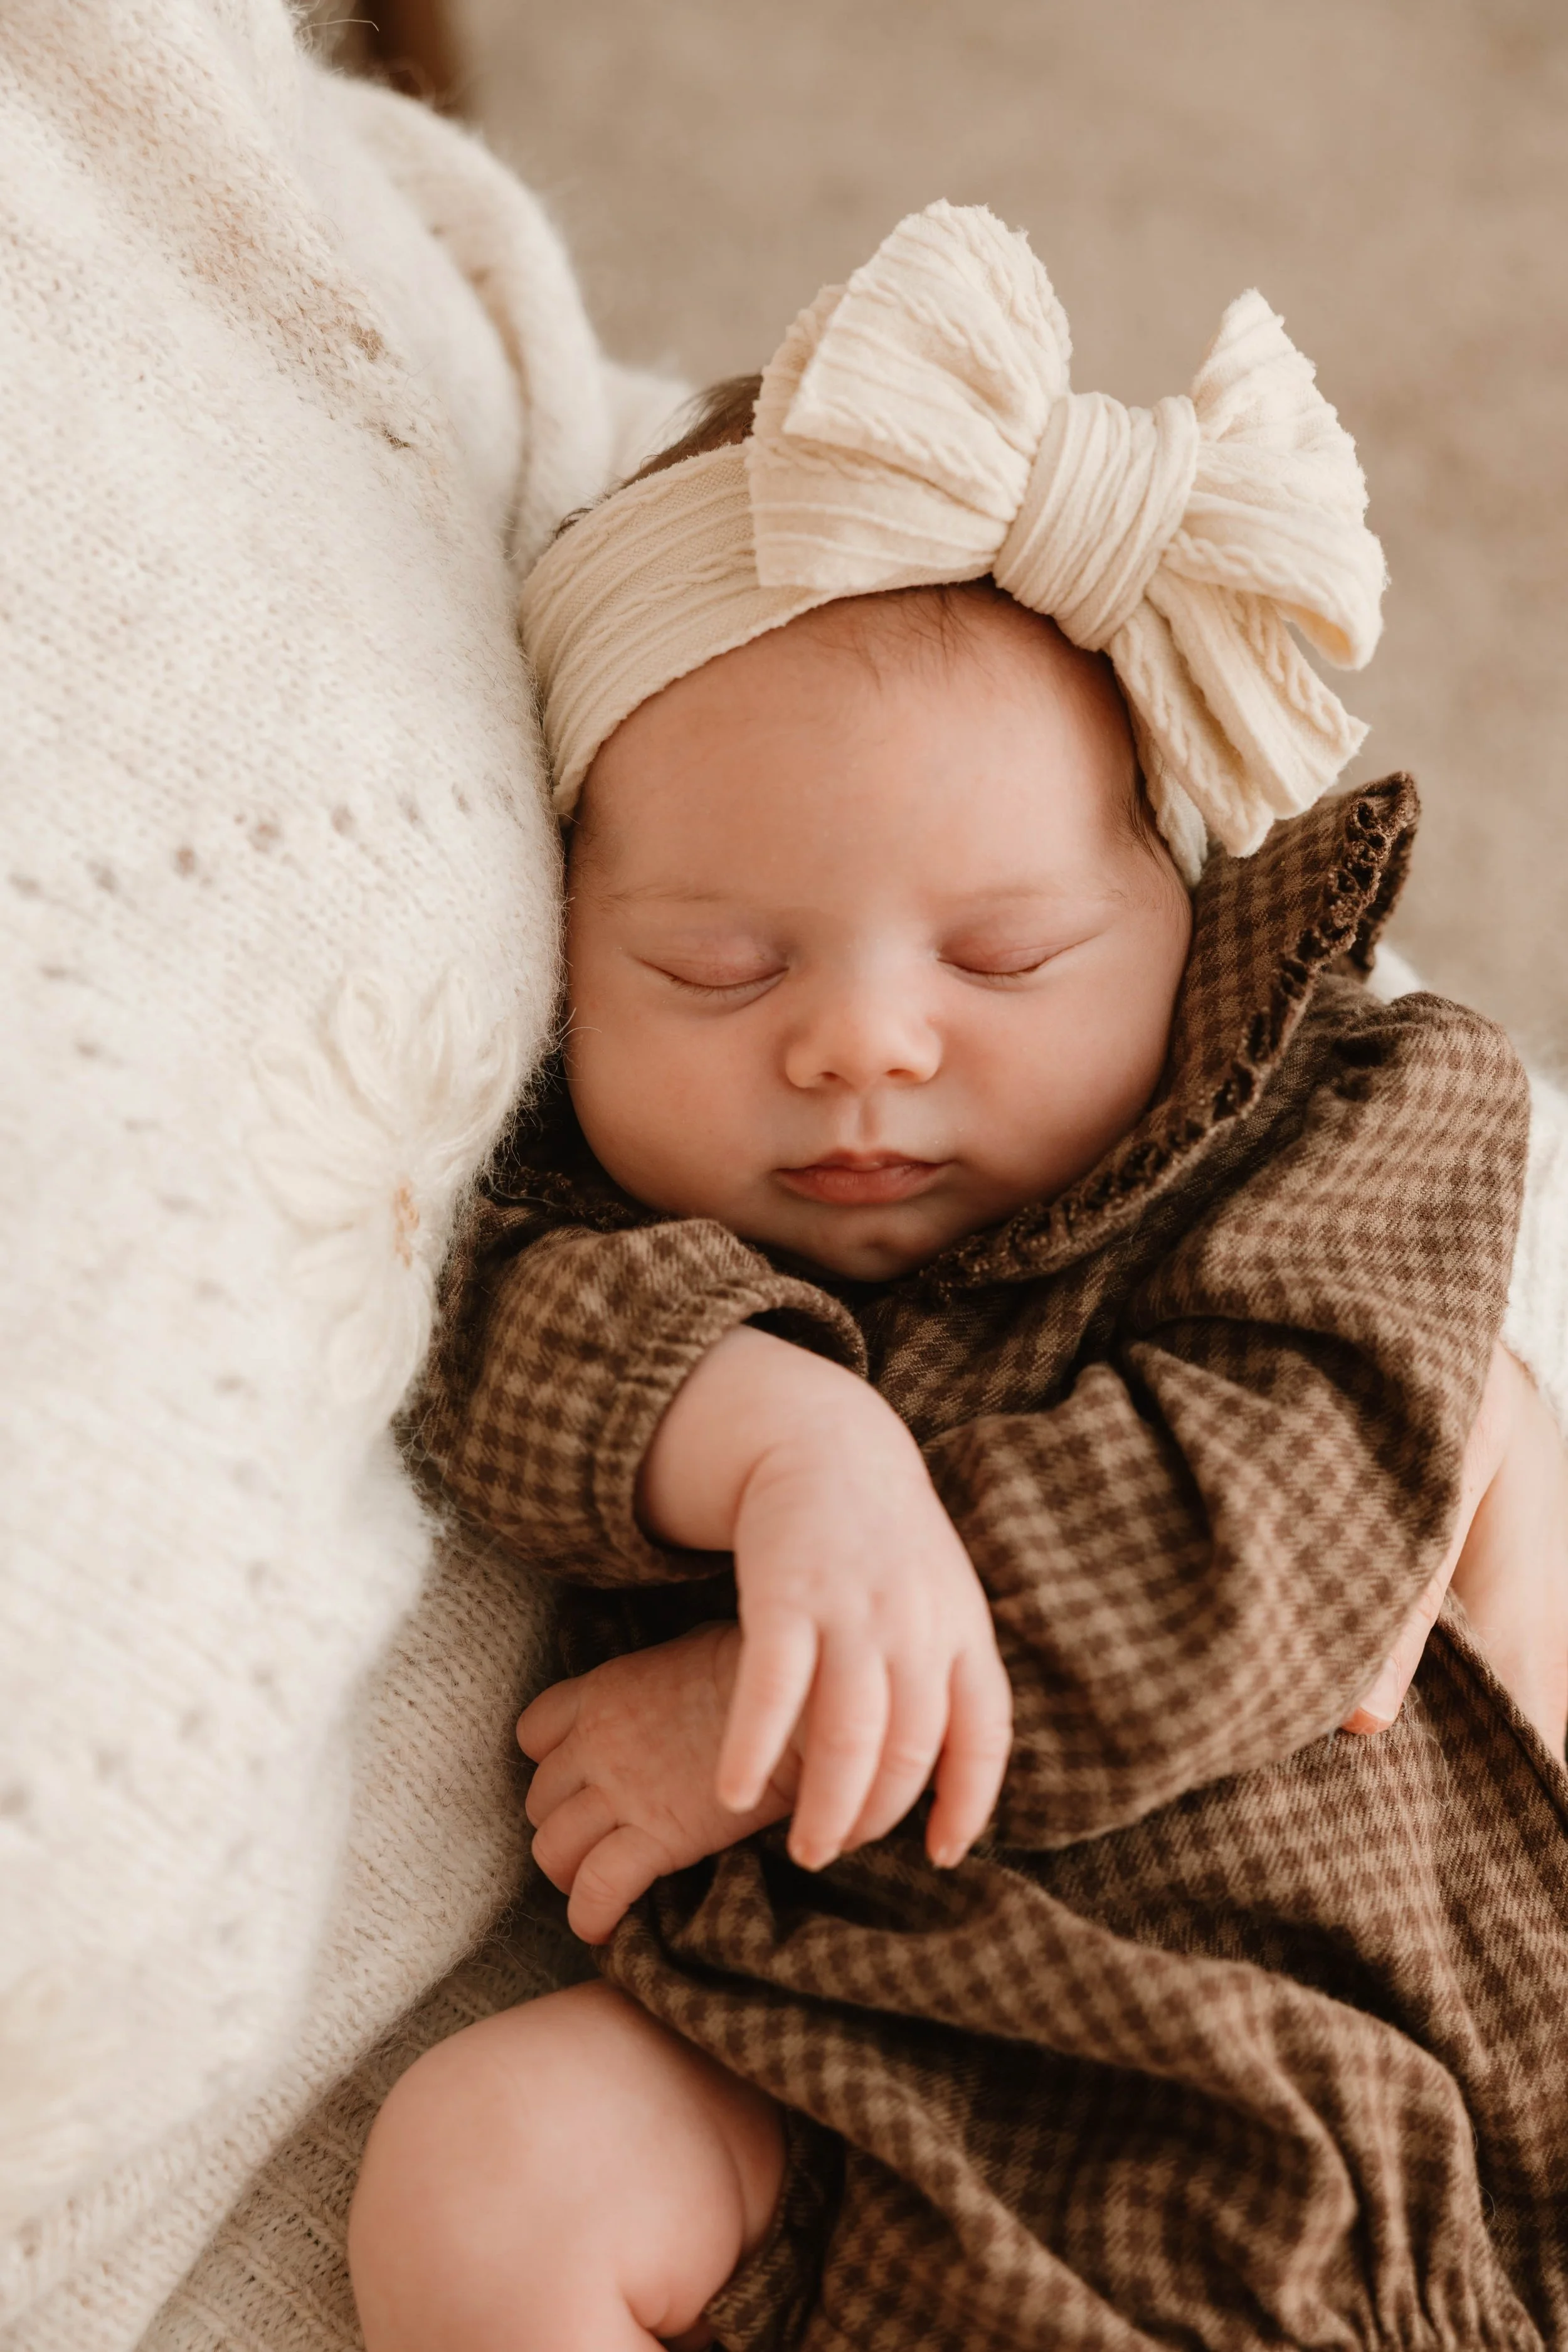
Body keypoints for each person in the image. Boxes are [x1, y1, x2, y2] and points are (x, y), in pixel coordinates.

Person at [347, 204, 1568, 2349]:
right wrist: (790, 1438)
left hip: (1368, 2082)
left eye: (1000, 957)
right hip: (852, 2081)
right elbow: (518, 1362)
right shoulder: (609, 1227)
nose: (860, 1045)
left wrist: (767, 1713)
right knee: (488, 2165)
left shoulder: (1347, 1127)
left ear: (1185, 916)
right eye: (710, 970)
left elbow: (1255, 1537)